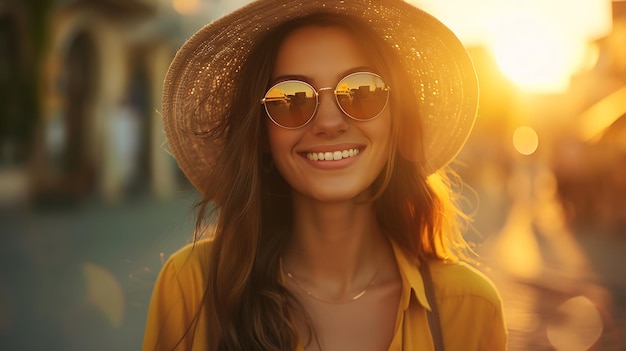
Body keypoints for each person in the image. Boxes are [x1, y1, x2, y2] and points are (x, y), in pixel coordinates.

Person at [143, 0, 508, 350]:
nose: (329, 123)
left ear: (397, 120)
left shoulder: (469, 307)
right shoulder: (192, 287)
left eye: (362, 91)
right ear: (262, 136)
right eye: (292, 97)